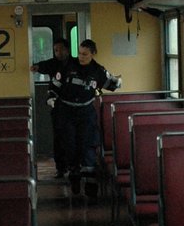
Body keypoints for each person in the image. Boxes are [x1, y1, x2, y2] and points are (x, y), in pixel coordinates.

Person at [51, 39, 120, 198]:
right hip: (67, 112)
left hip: (86, 112)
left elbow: (112, 84)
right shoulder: (68, 66)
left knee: (88, 146)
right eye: (80, 53)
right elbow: (54, 86)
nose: (81, 57)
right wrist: (51, 98)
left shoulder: (98, 71)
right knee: (71, 146)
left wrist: (118, 81)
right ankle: (74, 177)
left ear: (93, 54)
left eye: (85, 54)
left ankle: (90, 184)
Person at [30, 39, 71, 178]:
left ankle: (74, 166)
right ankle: (61, 168)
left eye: (60, 49)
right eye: (55, 50)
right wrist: (35, 67)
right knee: (58, 138)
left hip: (73, 108)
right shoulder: (52, 64)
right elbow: (40, 66)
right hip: (58, 107)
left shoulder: (75, 64)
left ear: (67, 50)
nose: (58, 53)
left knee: (72, 137)